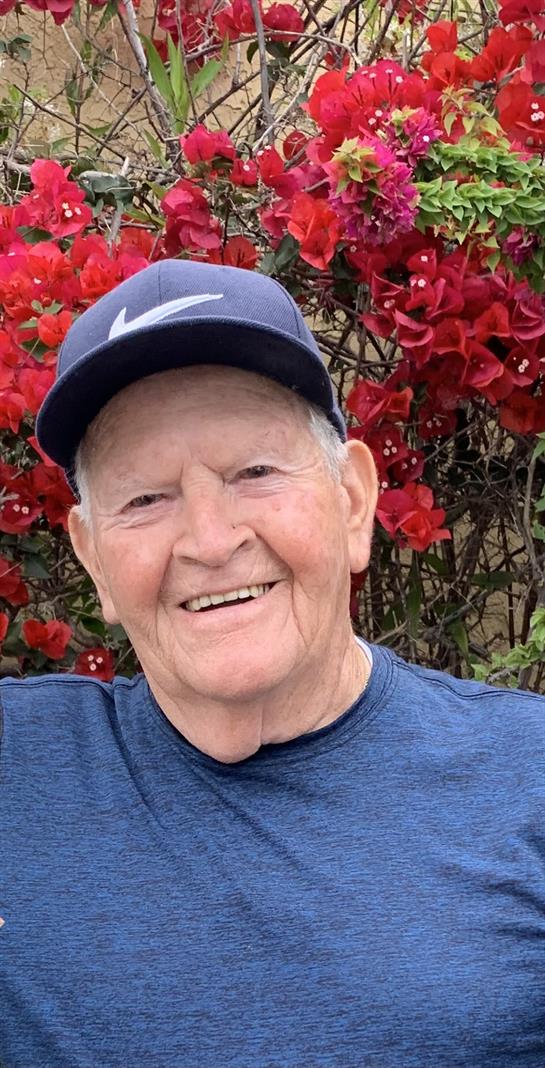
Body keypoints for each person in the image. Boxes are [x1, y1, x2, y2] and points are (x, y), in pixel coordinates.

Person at [1, 259, 545, 1068]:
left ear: (354, 501)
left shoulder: (525, 778)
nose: (211, 540)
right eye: (145, 499)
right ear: (91, 559)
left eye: (254, 473)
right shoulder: (19, 768)